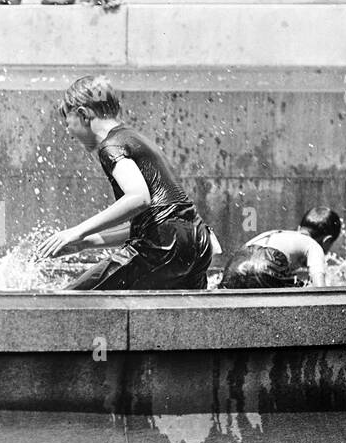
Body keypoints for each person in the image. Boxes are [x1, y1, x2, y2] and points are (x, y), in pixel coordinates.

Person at [38, 75, 216, 290]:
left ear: (83, 115)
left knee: (71, 303)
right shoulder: (135, 138)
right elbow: (158, 220)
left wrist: (76, 232)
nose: (69, 133)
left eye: (69, 123)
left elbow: (138, 198)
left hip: (163, 247)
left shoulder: (110, 146)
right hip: (197, 243)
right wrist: (86, 243)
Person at [219, 207, 343, 289]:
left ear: (299, 229)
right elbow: (321, 291)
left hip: (235, 265)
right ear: (327, 240)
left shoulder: (277, 234)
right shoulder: (313, 245)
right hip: (267, 263)